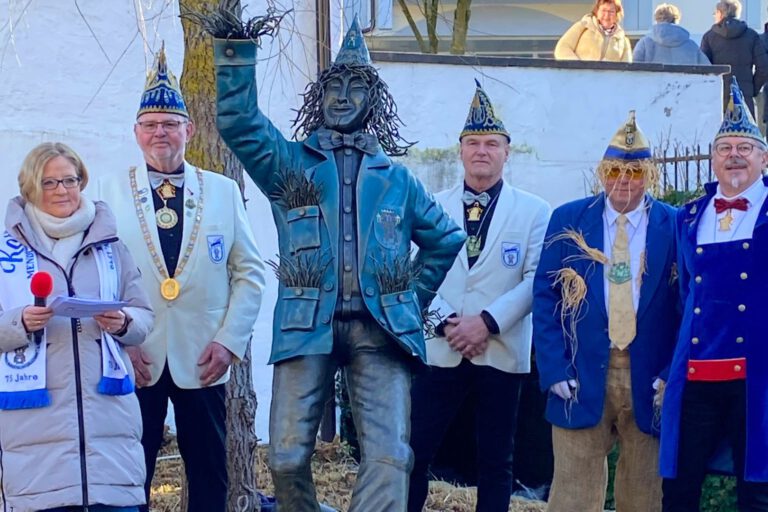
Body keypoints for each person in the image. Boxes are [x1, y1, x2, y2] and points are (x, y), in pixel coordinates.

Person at [212, 14, 466, 511]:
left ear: (374, 100)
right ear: (319, 97)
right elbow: (240, 124)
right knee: (286, 457)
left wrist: (408, 300)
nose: (343, 97)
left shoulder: (397, 179)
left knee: (391, 455)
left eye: (356, 87)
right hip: (307, 324)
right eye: (334, 87)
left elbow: (446, 239)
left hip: (380, 333)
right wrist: (235, 53)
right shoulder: (289, 164)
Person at [96, 45, 265, 512]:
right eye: (150, 124)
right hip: (136, 356)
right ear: (136, 133)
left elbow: (250, 273)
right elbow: (97, 279)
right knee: (130, 476)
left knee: (210, 475)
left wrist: (229, 342)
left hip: (204, 355)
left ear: (189, 130)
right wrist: (120, 344)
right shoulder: (106, 193)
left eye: (170, 124)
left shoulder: (223, 191)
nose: (160, 133)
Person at [408, 80, 551, 512]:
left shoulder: (535, 211)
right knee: (415, 454)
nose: (481, 151)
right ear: (460, 151)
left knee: (496, 462)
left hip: (501, 350)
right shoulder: (431, 204)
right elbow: (412, 271)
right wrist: (448, 323)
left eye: (491, 143)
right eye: (473, 143)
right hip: (441, 347)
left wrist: (486, 323)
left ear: (507, 152)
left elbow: (537, 280)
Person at [533, 111, 679, 512]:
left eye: (634, 172)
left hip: (649, 378)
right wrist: (554, 368)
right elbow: (545, 297)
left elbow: (686, 306)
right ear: (602, 172)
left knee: (645, 494)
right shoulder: (569, 220)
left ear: (649, 175)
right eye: (614, 170)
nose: (623, 180)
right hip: (580, 372)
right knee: (572, 495)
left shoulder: (673, 224)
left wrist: (671, 372)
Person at [0, 142, 153, 512]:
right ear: (30, 187)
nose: (62, 190)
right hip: (35, 433)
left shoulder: (110, 246)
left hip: (109, 425)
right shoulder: (5, 252)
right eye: (49, 182)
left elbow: (143, 315)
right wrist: (19, 322)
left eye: (70, 180)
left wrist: (123, 322)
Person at [660, 78, 768, 512]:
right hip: (697, 372)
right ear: (713, 158)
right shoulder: (688, 215)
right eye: (725, 148)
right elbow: (685, 292)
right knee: (678, 489)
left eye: (745, 147)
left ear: (763, 157)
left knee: (757, 491)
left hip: (758, 374)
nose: (734, 155)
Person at [701, 0, 768, 116]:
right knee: (743, 127)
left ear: (720, 13)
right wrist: (752, 89)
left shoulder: (709, 37)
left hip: (718, 97)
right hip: (744, 95)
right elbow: (763, 68)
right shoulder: (752, 36)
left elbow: (703, 68)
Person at [554, 0, 632, 62]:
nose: (607, 15)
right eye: (603, 10)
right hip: (579, 76)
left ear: (617, 15)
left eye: (611, 12)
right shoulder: (583, 26)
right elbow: (562, 48)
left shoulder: (623, 41)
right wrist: (578, 67)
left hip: (607, 78)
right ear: (597, 11)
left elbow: (626, 70)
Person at [633, 4, 710, 65]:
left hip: (652, 81)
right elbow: (707, 70)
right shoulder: (691, 46)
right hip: (684, 80)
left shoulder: (644, 43)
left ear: (656, 19)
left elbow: (634, 70)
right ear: (676, 19)